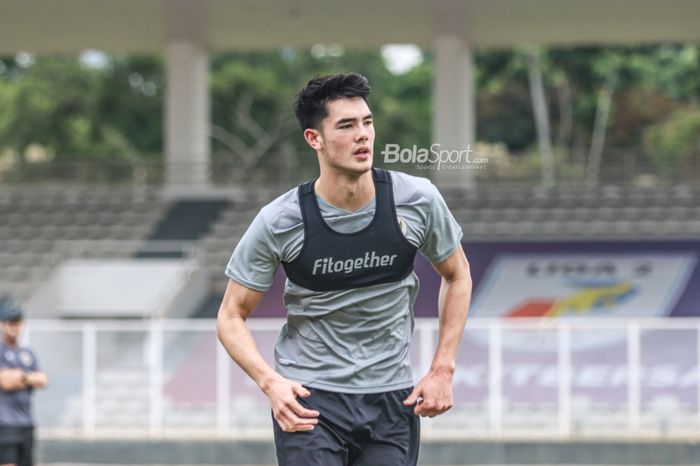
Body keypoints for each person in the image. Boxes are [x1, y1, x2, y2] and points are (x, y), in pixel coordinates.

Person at [217, 73, 472, 466]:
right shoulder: (280, 220)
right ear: (314, 139)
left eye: (367, 123)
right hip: (311, 401)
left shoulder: (416, 200)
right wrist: (271, 383)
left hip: (392, 400)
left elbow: (457, 276)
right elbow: (230, 315)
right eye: (346, 125)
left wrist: (443, 368)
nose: (363, 135)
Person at [0, 297, 48, 466]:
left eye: (17, 322)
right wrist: (29, 377)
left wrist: (21, 376)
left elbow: (43, 379)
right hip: (5, 425)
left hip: (26, 423)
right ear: (2, 324)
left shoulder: (27, 352)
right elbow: (5, 381)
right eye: (9, 321)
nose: (14, 326)